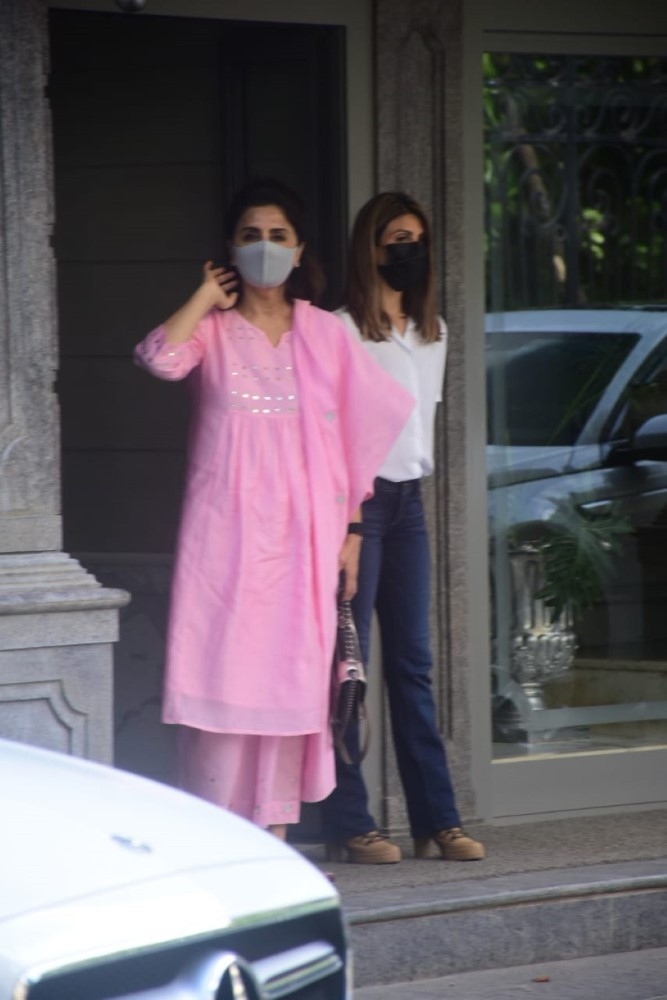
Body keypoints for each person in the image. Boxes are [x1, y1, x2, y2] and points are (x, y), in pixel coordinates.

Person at [133, 179, 414, 840]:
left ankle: (273, 847)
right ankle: (212, 839)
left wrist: (350, 534)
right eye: (250, 236)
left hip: (304, 541)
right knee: (223, 685)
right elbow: (158, 359)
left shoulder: (323, 332)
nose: (264, 247)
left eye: (277, 235)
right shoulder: (213, 333)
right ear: (229, 248)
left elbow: (361, 436)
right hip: (223, 542)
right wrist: (204, 293)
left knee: (288, 690)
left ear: (298, 248)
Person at [321, 192, 485, 864]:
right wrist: (345, 524)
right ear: (370, 246)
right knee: (347, 669)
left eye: (417, 237)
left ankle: (435, 819)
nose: (408, 248)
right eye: (395, 237)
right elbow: (331, 435)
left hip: (408, 503)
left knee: (412, 666)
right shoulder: (338, 330)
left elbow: (418, 423)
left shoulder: (432, 331)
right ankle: (349, 823)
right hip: (355, 509)